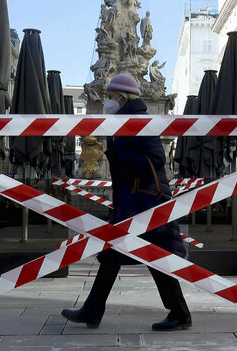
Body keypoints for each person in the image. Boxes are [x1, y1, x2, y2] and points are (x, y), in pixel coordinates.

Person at [61, 74, 191, 331]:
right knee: (113, 256)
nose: (107, 101)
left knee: (154, 258)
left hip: (146, 203)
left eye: (110, 97)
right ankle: (93, 310)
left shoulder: (140, 121)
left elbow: (155, 159)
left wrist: (117, 155)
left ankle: (179, 313)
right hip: (133, 203)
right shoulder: (122, 123)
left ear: (122, 97)